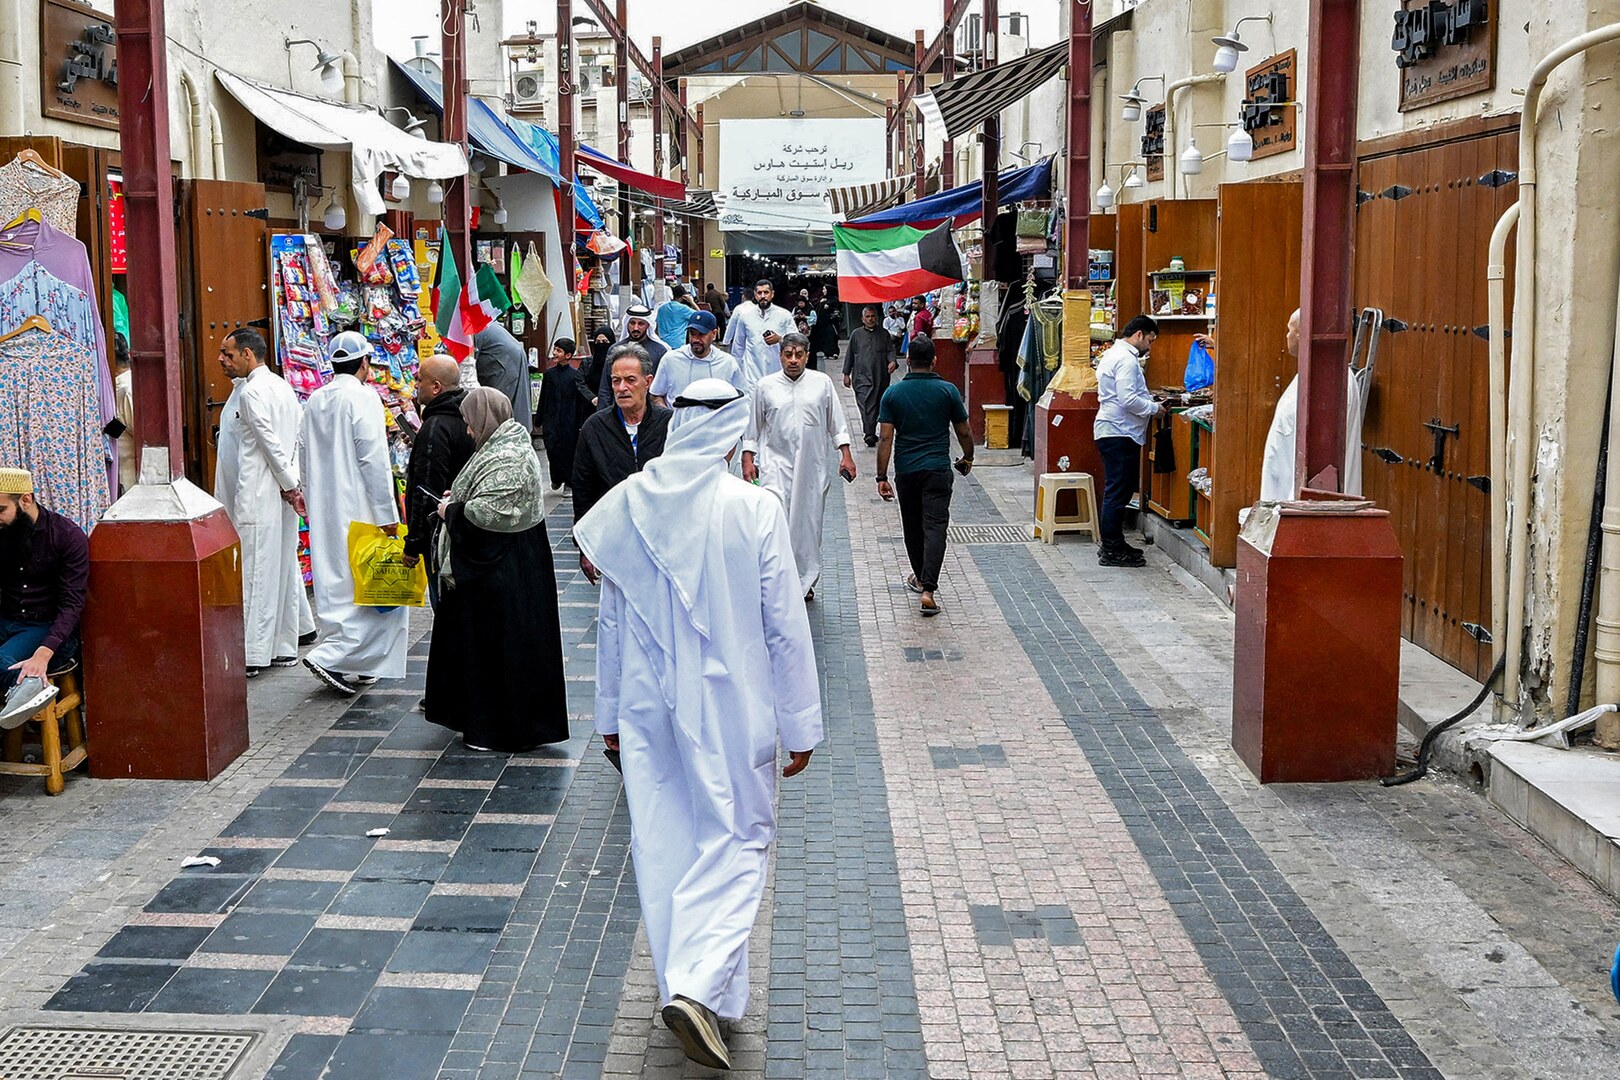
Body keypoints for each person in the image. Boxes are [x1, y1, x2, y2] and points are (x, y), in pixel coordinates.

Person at [573, 378, 822, 1071]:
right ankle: (696, 985)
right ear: (731, 433)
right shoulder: (755, 508)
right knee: (740, 837)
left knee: (666, 842)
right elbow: (784, 626)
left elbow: (611, 621)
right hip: (732, 703)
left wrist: (610, 712)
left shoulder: (628, 504)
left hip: (646, 707)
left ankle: (706, 995)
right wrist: (801, 722)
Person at [424, 388, 568, 752]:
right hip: (508, 566)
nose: (468, 430)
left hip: (505, 570)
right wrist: (457, 502)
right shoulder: (504, 444)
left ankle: (498, 730)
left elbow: (488, 514)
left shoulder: (507, 456)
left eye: (471, 422)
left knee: (498, 651)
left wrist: (450, 511)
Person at [299, 332, 409, 694]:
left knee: (336, 584)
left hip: (324, 506)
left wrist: (307, 496)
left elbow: (303, 452)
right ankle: (330, 657)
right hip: (361, 508)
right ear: (364, 363)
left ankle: (361, 664)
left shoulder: (315, 399)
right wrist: (387, 513)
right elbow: (373, 459)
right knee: (372, 586)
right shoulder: (363, 397)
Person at [214, 327, 306, 677]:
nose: (222, 360)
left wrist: (290, 486)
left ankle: (253, 653)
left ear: (248, 355)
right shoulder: (282, 387)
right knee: (280, 569)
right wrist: (293, 484)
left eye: (228, 354)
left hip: (261, 491)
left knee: (255, 572)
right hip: (280, 493)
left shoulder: (252, 392)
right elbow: (293, 442)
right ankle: (282, 646)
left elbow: (271, 444)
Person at [742, 333, 855, 602]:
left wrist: (846, 455)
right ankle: (778, 579)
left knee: (808, 525)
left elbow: (836, 423)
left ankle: (804, 581)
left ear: (807, 356)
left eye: (798, 355)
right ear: (780, 356)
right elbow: (753, 427)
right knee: (776, 521)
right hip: (775, 465)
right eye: (788, 354)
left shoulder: (822, 383)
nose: (793, 360)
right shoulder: (765, 386)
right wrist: (748, 459)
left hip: (812, 467)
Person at [876, 336, 972, 617]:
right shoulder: (947, 391)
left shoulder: (892, 394)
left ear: (907, 360)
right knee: (935, 527)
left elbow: (885, 438)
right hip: (938, 469)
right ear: (934, 361)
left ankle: (919, 578)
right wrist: (968, 457)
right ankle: (929, 589)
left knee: (913, 527)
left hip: (906, 471)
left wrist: (881, 476)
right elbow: (964, 430)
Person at [571, 343, 673, 575]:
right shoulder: (595, 428)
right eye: (616, 381)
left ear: (648, 382)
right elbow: (583, 488)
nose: (622, 388)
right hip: (614, 537)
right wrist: (585, 546)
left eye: (630, 380)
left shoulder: (669, 424)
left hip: (661, 538)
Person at [0, 469, 88, 728]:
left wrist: (43, 653)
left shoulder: (67, 536)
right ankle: (26, 689)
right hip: (7, 619)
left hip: (48, 629)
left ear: (26, 500)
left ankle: (25, 687)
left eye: (1, 510)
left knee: (1, 659)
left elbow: (72, 605)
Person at [403, 355, 475, 607]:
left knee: (444, 604)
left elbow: (425, 490)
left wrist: (413, 543)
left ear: (436, 387)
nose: (415, 384)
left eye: (419, 379)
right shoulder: (468, 417)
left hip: (441, 535)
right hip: (465, 529)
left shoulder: (435, 426)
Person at [1093, 315, 1165, 568]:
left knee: (1118, 490)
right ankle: (1111, 548)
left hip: (1114, 430)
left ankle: (1114, 544)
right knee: (1117, 491)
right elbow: (1127, 399)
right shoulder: (1126, 359)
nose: (1149, 347)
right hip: (1119, 432)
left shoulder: (1113, 355)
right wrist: (1154, 408)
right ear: (1138, 335)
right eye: (1150, 340)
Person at [649, 311, 746, 422]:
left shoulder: (727, 363)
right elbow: (655, 395)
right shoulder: (670, 359)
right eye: (692, 333)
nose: (695, 339)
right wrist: (671, 419)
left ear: (714, 334)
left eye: (701, 334)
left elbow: (742, 399)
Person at [722, 279, 796, 389]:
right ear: (755, 295)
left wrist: (780, 339)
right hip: (752, 373)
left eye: (766, 292)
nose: (763, 296)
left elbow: (796, 342)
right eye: (759, 293)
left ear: (772, 294)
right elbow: (738, 346)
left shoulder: (784, 315)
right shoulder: (746, 316)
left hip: (777, 371)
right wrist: (737, 371)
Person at [843, 305, 898, 447]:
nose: (870, 319)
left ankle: (870, 431)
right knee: (866, 404)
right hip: (861, 377)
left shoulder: (884, 334)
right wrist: (846, 373)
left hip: (880, 377)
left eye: (873, 316)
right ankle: (869, 433)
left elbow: (890, 350)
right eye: (867, 316)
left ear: (877, 318)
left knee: (877, 404)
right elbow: (850, 355)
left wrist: (892, 361)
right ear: (862, 319)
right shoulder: (856, 334)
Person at [536, 338, 585, 490]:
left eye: (559, 350)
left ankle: (569, 482)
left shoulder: (575, 376)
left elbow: (579, 402)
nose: (554, 353)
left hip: (569, 421)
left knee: (568, 451)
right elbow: (543, 397)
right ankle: (556, 477)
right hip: (551, 419)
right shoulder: (549, 374)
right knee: (552, 449)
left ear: (568, 355)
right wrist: (539, 419)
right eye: (555, 349)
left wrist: (580, 423)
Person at [598, 303, 668, 408]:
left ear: (648, 325)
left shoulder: (660, 351)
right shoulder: (615, 349)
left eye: (641, 324)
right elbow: (605, 387)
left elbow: (663, 389)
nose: (636, 328)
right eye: (632, 323)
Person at [472, 323, 534, 434]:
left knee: (496, 409)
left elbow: (468, 364)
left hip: (504, 362)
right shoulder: (479, 322)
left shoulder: (471, 326)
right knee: (515, 404)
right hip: (508, 357)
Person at [113, 334, 136, 495]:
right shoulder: (123, 385)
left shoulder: (125, 389)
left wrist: (107, 427)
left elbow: (136, 430)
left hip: (129, 475)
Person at [579, 327, 615, 411]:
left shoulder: (616, 363)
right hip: (589, 408)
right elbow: (580, 383)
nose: (601, 345)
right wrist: (592, 397)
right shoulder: (587, 363)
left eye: (605, 342)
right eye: (598, 342)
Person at [810, 287, 841, 369]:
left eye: (824, 289)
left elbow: (836, 308)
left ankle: (833, 352)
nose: (823, 291)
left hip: (830, 323)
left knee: (831, 337)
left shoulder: (833, 299)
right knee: (824, 338)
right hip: (821, 323)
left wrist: (828, 305)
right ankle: (826, 352)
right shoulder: (822, 299)